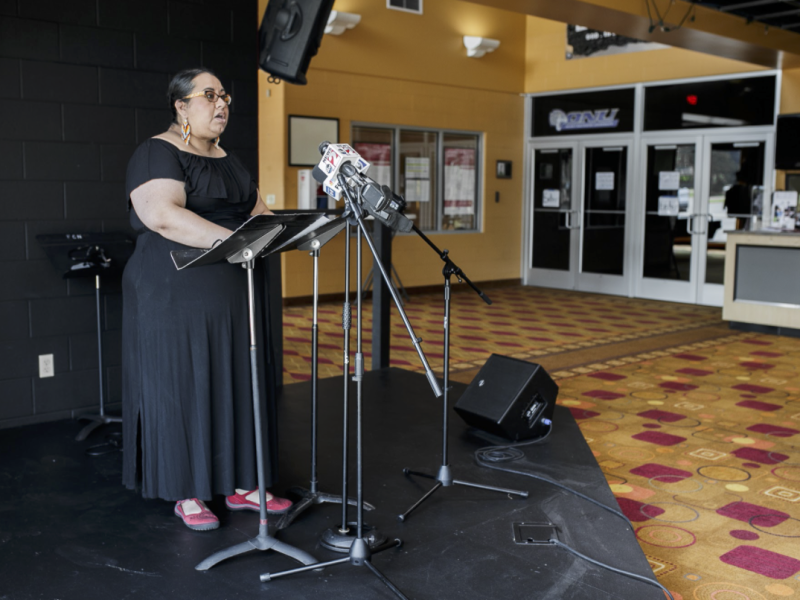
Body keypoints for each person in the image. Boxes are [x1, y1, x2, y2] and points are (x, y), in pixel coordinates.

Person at [121, 68, 291, 531]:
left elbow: (260, 214)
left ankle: (243, 483)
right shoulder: (157, 152)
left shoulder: (229, 159)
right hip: (174, 293)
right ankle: (187, 490)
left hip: (237, 292)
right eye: (209, 96)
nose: (221, 105)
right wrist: (237, 243)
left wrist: (285, 231)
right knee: (185, 385)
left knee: (240, 382)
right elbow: (162, 215)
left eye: (225, 97)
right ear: (181, 106)